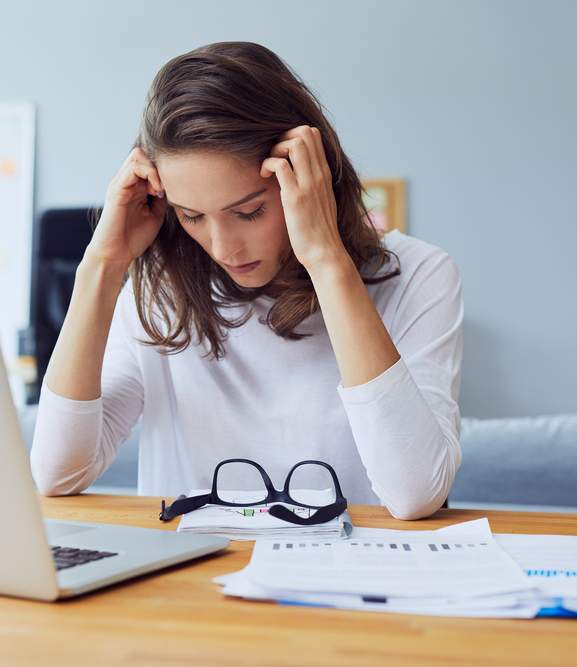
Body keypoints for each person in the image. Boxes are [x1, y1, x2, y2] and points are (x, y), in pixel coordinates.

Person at [30, 42, 463, 520]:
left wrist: (326, 261)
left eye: (249, 211)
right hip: (192, 584)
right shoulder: (159, 291)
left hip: (346, 580)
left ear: (310, 177)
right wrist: (103, 265)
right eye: (192, 216)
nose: (223, 248)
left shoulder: (420, 274)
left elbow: (415, 494)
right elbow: (58, 473)